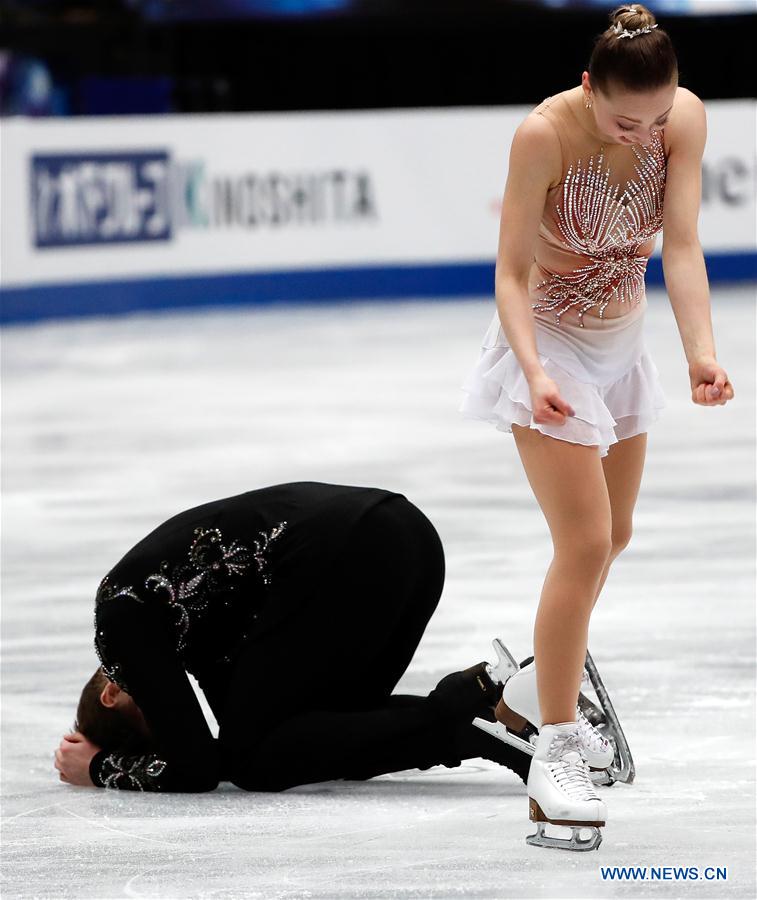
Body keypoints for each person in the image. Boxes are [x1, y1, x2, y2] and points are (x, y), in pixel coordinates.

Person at [458, 3, 734, 851]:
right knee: (582, 544)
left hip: (621, 349)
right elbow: (508, 273)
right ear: (587, 88)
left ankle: (527, 685)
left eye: (656, 116)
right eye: (624, 119)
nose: (642, 133)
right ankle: (555, 746)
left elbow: (679, 245)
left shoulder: (679, 117)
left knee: (614, 536)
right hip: (549, 353)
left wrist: (699, 354)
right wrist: (536, 372)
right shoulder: (543, 134)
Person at [54, 481, 532, 792]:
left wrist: (98, 769)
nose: (177, 718)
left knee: (259, 763)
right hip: (405, 538)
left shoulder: (119, 624)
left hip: (347, 553)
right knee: (312, 739)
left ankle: (471, 711)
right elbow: (229, 747)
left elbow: (195, 764)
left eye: (157, 722)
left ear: (114, 693)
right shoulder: (193, 638)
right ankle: (498, 707)